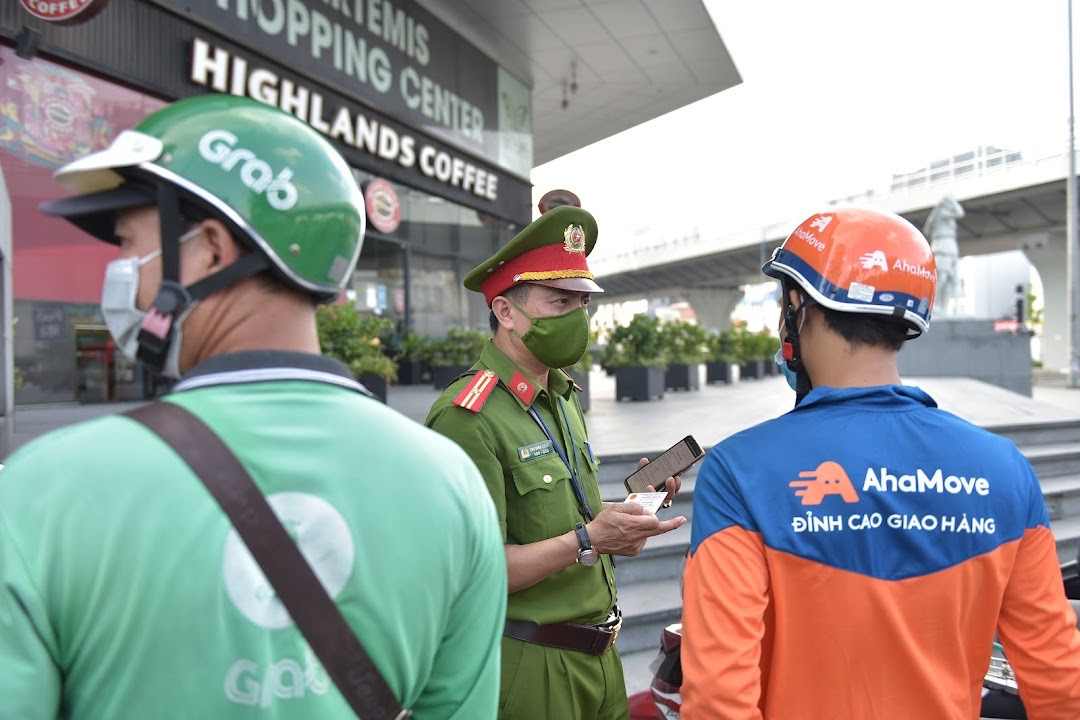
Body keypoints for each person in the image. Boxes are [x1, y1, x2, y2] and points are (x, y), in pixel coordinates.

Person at [0, 94, 507, 719]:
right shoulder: (450, 483)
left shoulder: (41, 492)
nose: (124, 276)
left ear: (211, 250)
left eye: (131, 248)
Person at [680, 206, 1080, 719]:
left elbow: (717, 700)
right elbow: (1059, 682)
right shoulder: (1004, 468)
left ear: (798, 306)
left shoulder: (738, 472)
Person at [425, 205, 686, 720]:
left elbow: (567, 522)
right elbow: (474, 574)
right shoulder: (467, 417)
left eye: (583, 303)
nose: (576, 318)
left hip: (601, 657)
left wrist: (624, 516)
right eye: (559, 301)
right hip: (533, 667)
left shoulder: (562, 397)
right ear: (505, 312)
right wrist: (590, 540)